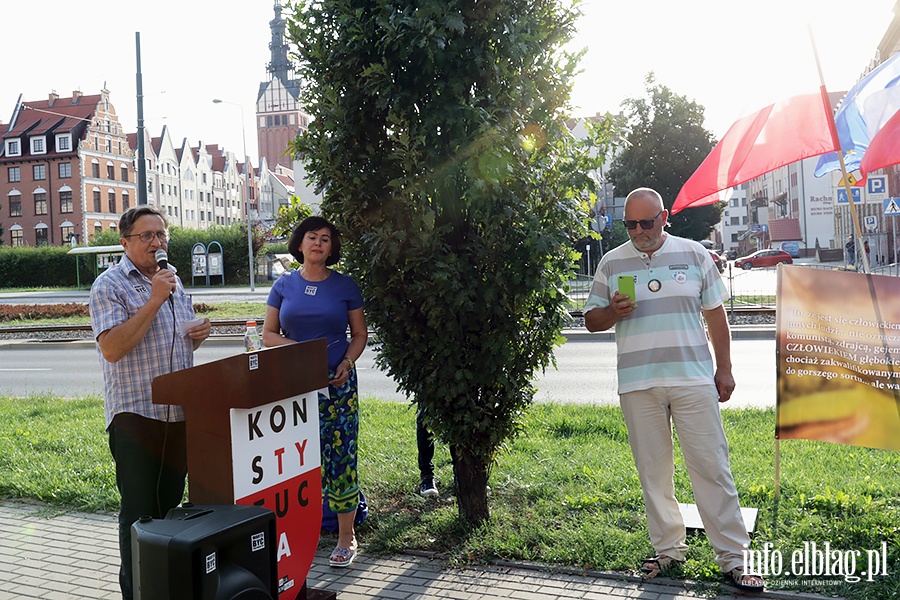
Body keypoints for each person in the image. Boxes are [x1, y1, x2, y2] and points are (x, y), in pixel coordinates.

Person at [583, 188, 764, 592]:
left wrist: (726, 370)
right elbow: (592, 320)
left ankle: (734, 559)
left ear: (664, 217)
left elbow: (716, 315)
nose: (639, 231)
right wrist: (613, 311)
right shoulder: (612, 262)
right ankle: (668, 551)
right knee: (653, 473)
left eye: (647, 222)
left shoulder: (695, 254)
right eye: (631, 224)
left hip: (693, 379)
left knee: (712, 468)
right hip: (638, 382)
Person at [89, 206, 211, 600]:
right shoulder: (110, 285)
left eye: (162, 234)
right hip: (136, 415)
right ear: (125, 242)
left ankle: (166, 588)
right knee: (140, 516)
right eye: (147, 236)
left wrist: (196, 335)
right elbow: (112, 348)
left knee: (171, 511)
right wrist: (156, 299)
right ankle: (137, 591)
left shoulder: (172, 282)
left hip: (178, 415)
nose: (157, 243)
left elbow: (174, 340)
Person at [262, 216, 367, 568]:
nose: (318, 243)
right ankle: (295, 534)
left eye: (325, 238)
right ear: (300, 243)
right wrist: (300, 355)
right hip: (294, 387)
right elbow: (267, 335)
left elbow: (360, 335)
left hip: (337, 388)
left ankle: (345, 537)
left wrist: (347, 364)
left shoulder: (346, 286)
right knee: (295, 460)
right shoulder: (283, 285)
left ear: (332, 247)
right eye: (312, 237)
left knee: (341, 460)